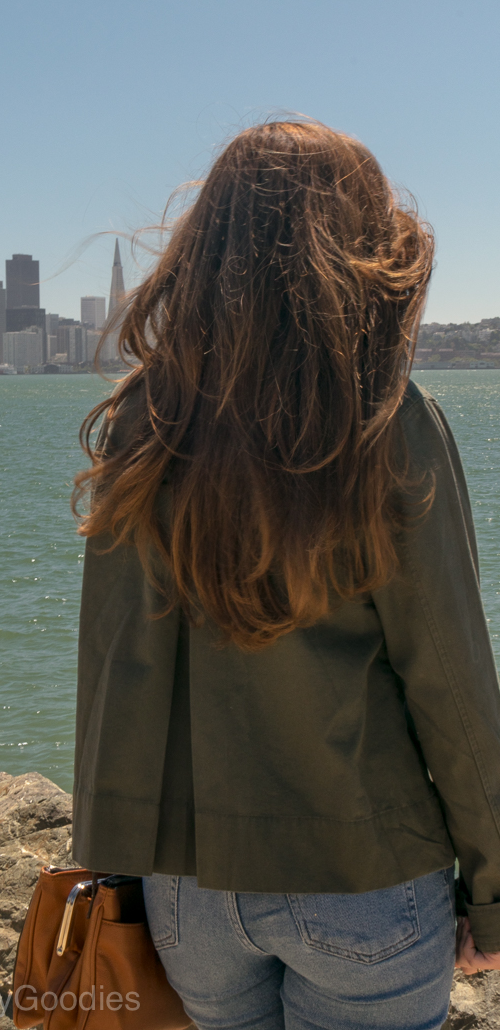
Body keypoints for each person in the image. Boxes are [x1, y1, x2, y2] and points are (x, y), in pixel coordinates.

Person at [70, 120, 500, 1030]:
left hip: (188, 890)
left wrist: (113, 864)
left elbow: (116, 669)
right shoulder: (387, 417)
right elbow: (451, 680)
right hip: (364, 874)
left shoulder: (146, 418)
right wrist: (494, 892)